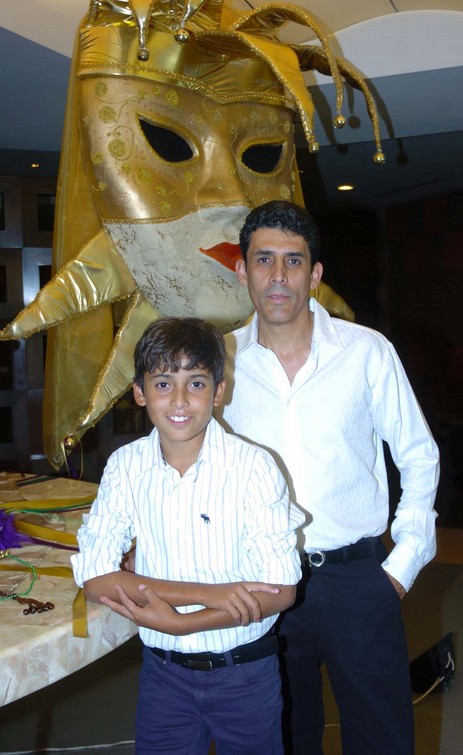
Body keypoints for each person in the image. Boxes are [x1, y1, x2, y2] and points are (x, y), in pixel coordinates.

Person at [216, 200, 440, 755]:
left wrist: (402, 565)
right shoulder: (219, 363)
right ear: (242, 271)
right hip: (262, 582)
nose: (278, 275)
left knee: (382, 741)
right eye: (264, 259)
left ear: (314, 275)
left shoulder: (367, 352)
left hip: (358, 581)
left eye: (293, 261)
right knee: (283, 739)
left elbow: (418, 455)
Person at [71, 316, 304, 755]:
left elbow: (281, 590)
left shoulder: (253, 467)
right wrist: (210, 594)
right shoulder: (126, 467)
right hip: (164, 678)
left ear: (218, 391)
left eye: (196, 383)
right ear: (140, 391)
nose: (179, 400)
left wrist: (180, 623)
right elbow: (95, 579)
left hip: (245, 675)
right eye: (163, 384)